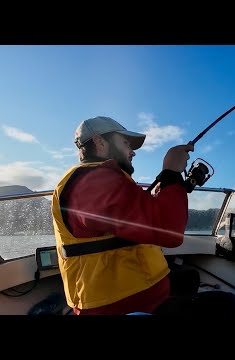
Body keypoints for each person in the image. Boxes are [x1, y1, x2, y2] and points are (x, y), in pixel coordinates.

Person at [51, 116, 199, 315]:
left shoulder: (102, 180)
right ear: (99, 141)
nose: (133, 151)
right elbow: (169, 230)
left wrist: (163, 188)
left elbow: (132, 218)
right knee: (224, 305)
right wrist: (172, 173)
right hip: (123, 306)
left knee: (190, 278)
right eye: (126, 142)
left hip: (143, 294)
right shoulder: (93, 182)